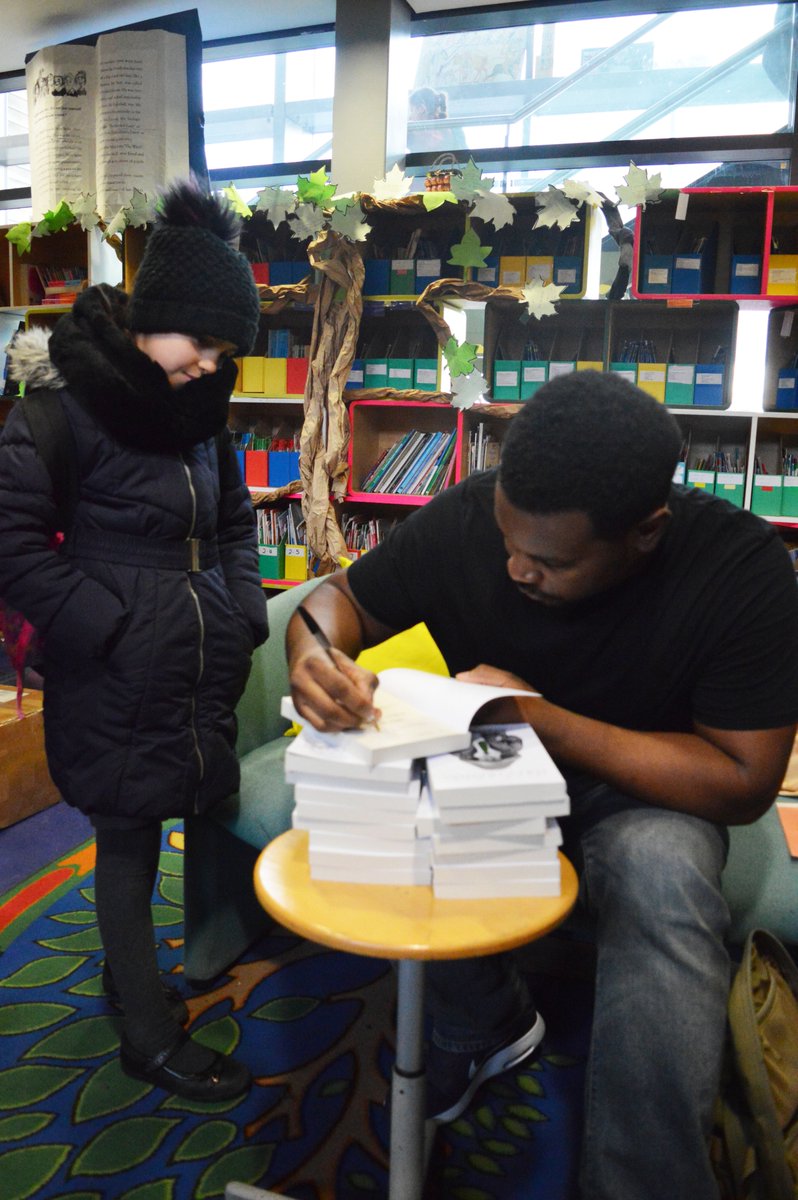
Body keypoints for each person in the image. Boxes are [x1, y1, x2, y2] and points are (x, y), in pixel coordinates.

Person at [285, 369, 798, 1199]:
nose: (519, 569)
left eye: (551, 561)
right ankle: (486, 1024)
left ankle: (641, 1184)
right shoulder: (472, 518)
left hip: (644, 793)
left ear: (644, 533)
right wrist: (314, 652)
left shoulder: (740, 570)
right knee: (393, 809)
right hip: (487, 762)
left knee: (664, 880)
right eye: (508, 543)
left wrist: (544, 719)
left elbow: (742, 780)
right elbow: (341, 598)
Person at [0, 179, 267, 1101]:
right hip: (113, 665)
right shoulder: (62, 406)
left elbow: (234, 526)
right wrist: (105, 628)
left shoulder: (202, 416)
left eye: (227, 352)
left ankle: (132, 971)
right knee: (125, 831)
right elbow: (12, 545)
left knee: (168, 811)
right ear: (156, 319)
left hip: (192, 659)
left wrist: (243, 611)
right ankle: (146, 1034)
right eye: (203, 344)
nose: (211, 366)